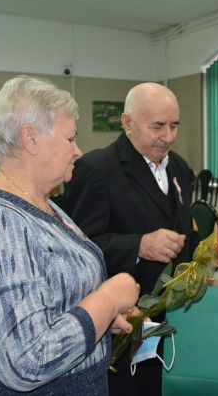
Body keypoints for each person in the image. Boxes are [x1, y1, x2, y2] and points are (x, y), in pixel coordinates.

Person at [0, 75, 140, 395]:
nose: (78, 151)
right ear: (30, 139)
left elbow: (48, 293)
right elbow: (29, 361)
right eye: (70, 138)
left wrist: (98, 319)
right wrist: (108, 299)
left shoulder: (38, 202)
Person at [64, 82, 196, 396]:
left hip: (170, 319)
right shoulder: (95, 169)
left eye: (174, 125)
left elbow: (182, 229)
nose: (168, 136)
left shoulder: (179, 167)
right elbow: (77, 251)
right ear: (127, 123)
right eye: (158, 126)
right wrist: (138, 245)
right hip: (121, 324)